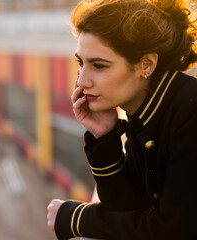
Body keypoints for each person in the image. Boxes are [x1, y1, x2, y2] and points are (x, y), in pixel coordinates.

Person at [47, 0, 197, 239]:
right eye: (80, 63)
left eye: (98, 65)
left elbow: (173, 230)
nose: (82, 81)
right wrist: (105, 135)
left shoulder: (189, 112)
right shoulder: (145, 111)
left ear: (146, 65)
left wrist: (76, 218)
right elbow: (131, 206)